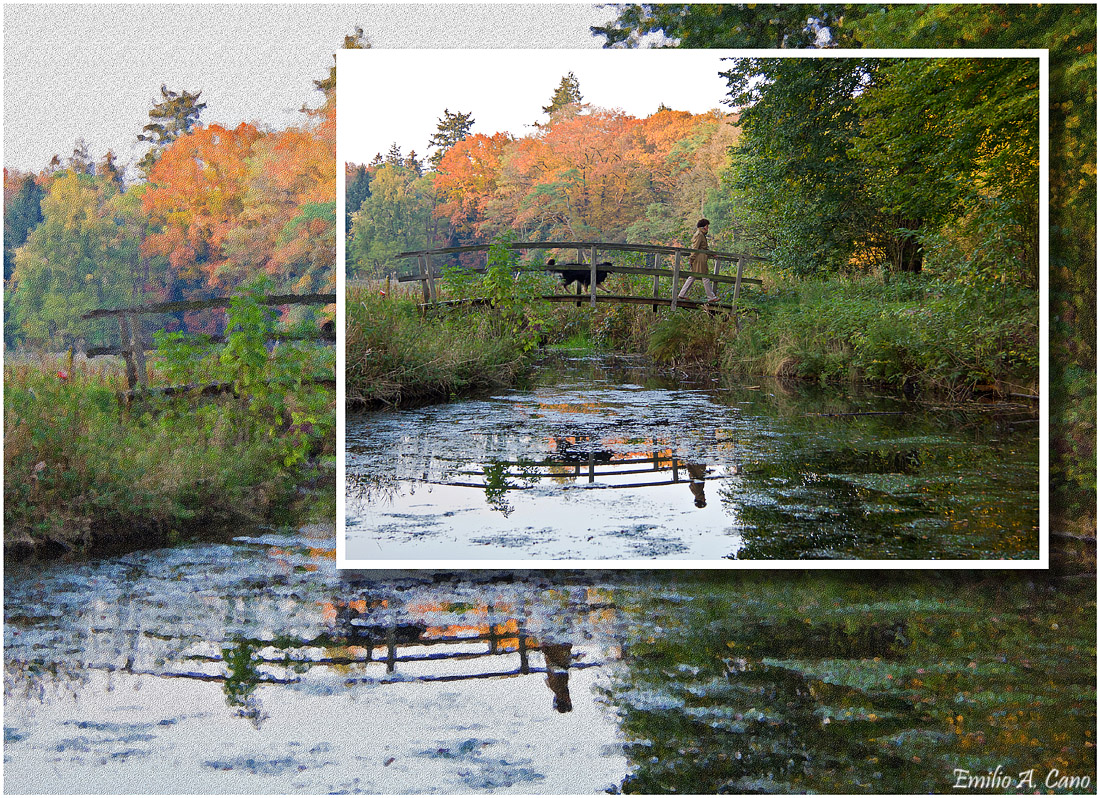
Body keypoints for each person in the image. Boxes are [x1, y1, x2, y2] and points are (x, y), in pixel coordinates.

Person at [677, 218, 718, 303]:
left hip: (700, 258)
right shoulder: (699, 235)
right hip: (700, 259)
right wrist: (691, 258)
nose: (708, 228)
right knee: (705, 277)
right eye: (707, 226)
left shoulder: (701, 234)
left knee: (693, 276)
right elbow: (695, 248)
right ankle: (711, 297)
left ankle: (682, 294)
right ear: (703, 226)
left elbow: (703, 248)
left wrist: (711, 254)